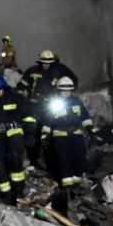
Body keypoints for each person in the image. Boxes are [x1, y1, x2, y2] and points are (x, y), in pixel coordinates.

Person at [40, 76, 94, 212]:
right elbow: (47, 121)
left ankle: (76, 187)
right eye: (63, 90)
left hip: (76, 135)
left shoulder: (77, 102)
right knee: (64, 162)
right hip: (61, 137)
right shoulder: (54, 104)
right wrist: (45, 135)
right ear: (59, 90)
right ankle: (67, 190)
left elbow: (85, 117)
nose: (66, 93)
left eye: (68, 90)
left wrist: (90, 131)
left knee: (78, 160)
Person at [17, 49, 79, 165]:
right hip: (33, 105)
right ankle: (32, 157)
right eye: (44, 62)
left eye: (48, 62)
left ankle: (52, 158)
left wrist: (70, 94)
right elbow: (22, 85)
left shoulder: (58, 72)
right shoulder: (32, 71)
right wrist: (20, 98)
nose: (46, 64)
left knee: (52, 129)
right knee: (32, 130)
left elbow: (72, 81)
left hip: (50, 105)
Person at [0, 73, 28, 204]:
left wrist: (29, 133)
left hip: (14, 133)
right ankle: (7, 195)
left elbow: (27, 115)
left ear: (4, 87)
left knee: (15, 161)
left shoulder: (16, 97)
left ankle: (18, 192)